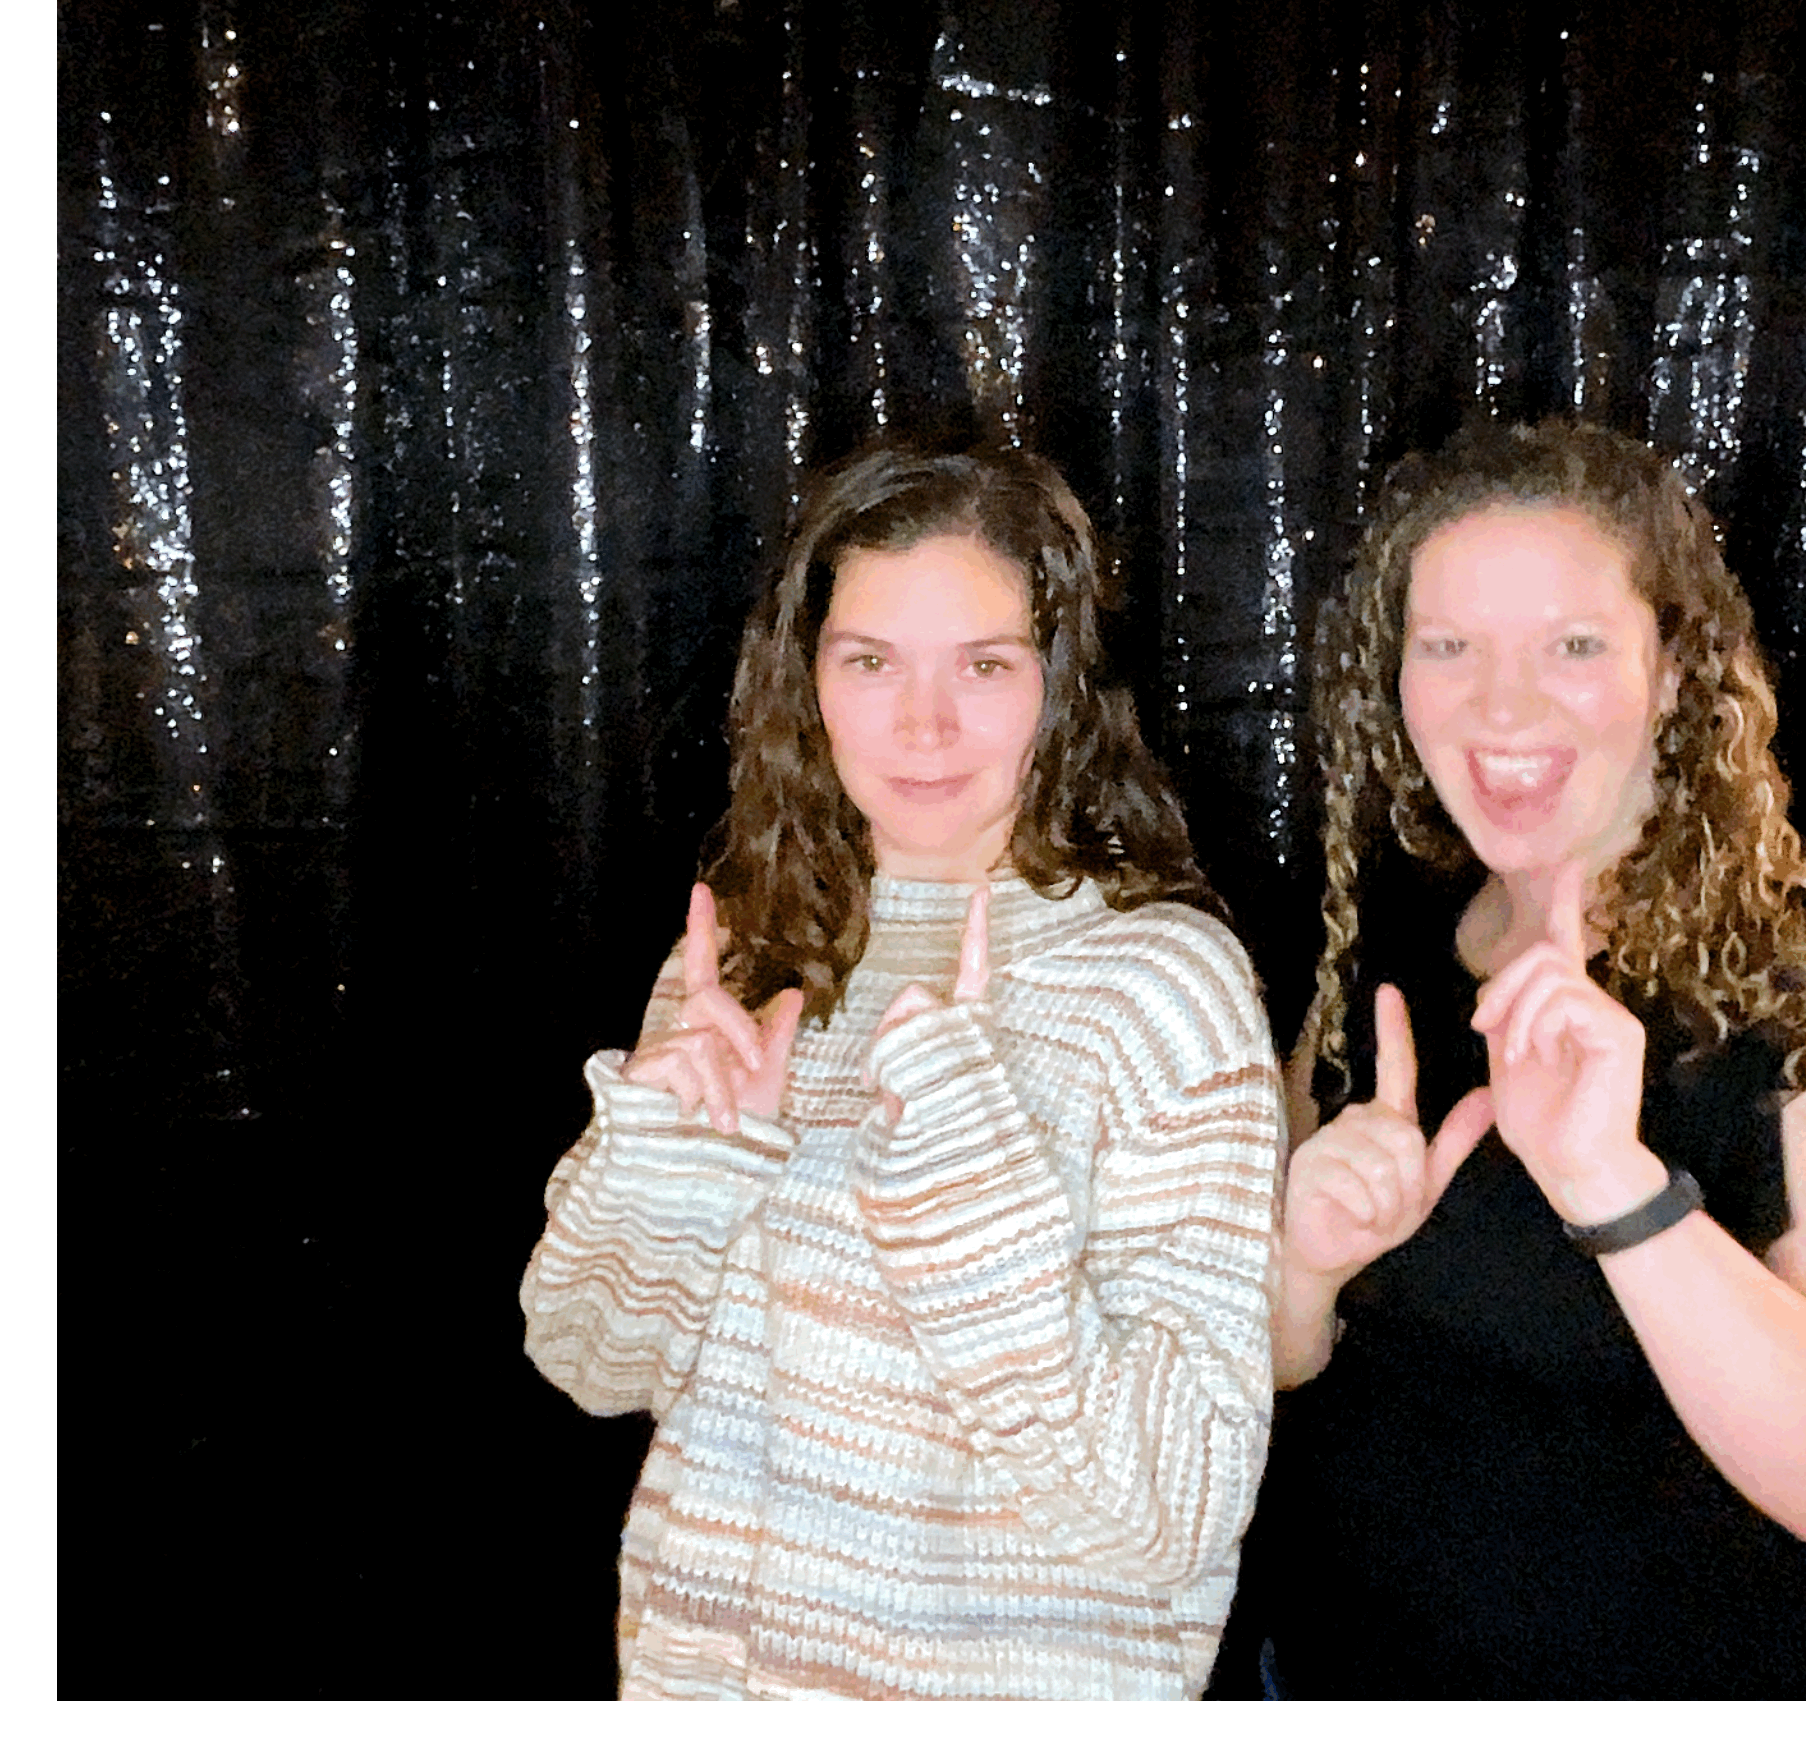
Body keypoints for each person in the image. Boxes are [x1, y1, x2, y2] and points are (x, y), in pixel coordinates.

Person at [1211, 416, 1806, 1699]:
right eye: (1447, 646)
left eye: (1571, 645)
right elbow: (1276, 1358)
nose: (1500, 703)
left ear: (1672, 670)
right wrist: (1302, 1269)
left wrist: (1611, 1189)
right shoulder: (1385, 942)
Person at [521, 438, 1284, 1700]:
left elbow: (1173, 1512)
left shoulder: (1159, 984)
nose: (923, 724)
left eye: (983, 665)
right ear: (805, 679)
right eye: (869, 661)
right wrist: (673, 1168)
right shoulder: (748, 954)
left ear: (1059, 685)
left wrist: (970, 1177)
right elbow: (590, 1361)